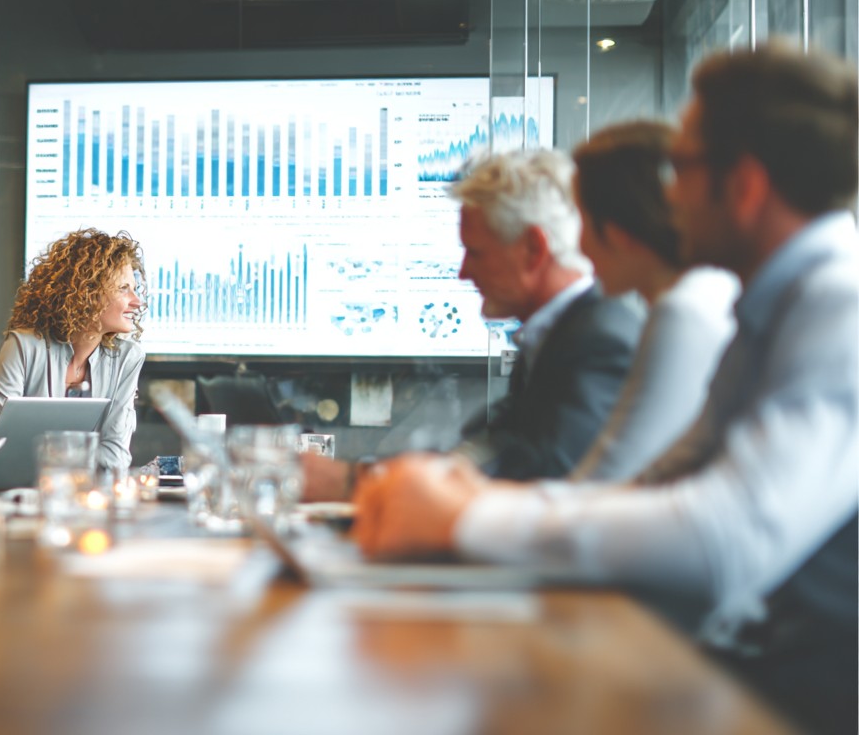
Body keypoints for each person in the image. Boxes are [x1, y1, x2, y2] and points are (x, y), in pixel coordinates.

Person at [351, 43, 858, 735]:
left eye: (680, 167)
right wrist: (469, 498)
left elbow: (722, 537)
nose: (667, 195)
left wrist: (467, 518)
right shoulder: (768, 305)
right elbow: (655, 484)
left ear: (744, 185)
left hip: (789, 698)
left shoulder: (840, 309)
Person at [304, 149, 644, 498]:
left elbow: (539, 472)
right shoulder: (557, 337)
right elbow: (483, 449)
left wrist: (355, 482)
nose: (463, 272)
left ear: (533, 249)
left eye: (476, 252)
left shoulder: (599, 344)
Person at [567, 121, 738, 482]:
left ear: (619, 232)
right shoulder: (712, 293)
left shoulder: (682, 313)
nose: (578, 245)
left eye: (580, 219)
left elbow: (611, 476)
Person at [0, 228, 146, 473]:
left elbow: (116, 457)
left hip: (89, 500)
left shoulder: (128, 358)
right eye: (124, 288)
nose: (137, 301)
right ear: (87, 291)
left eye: (134, 289)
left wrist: (43, 451)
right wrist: (84, 452)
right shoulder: (23, 347)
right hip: (19, 496)